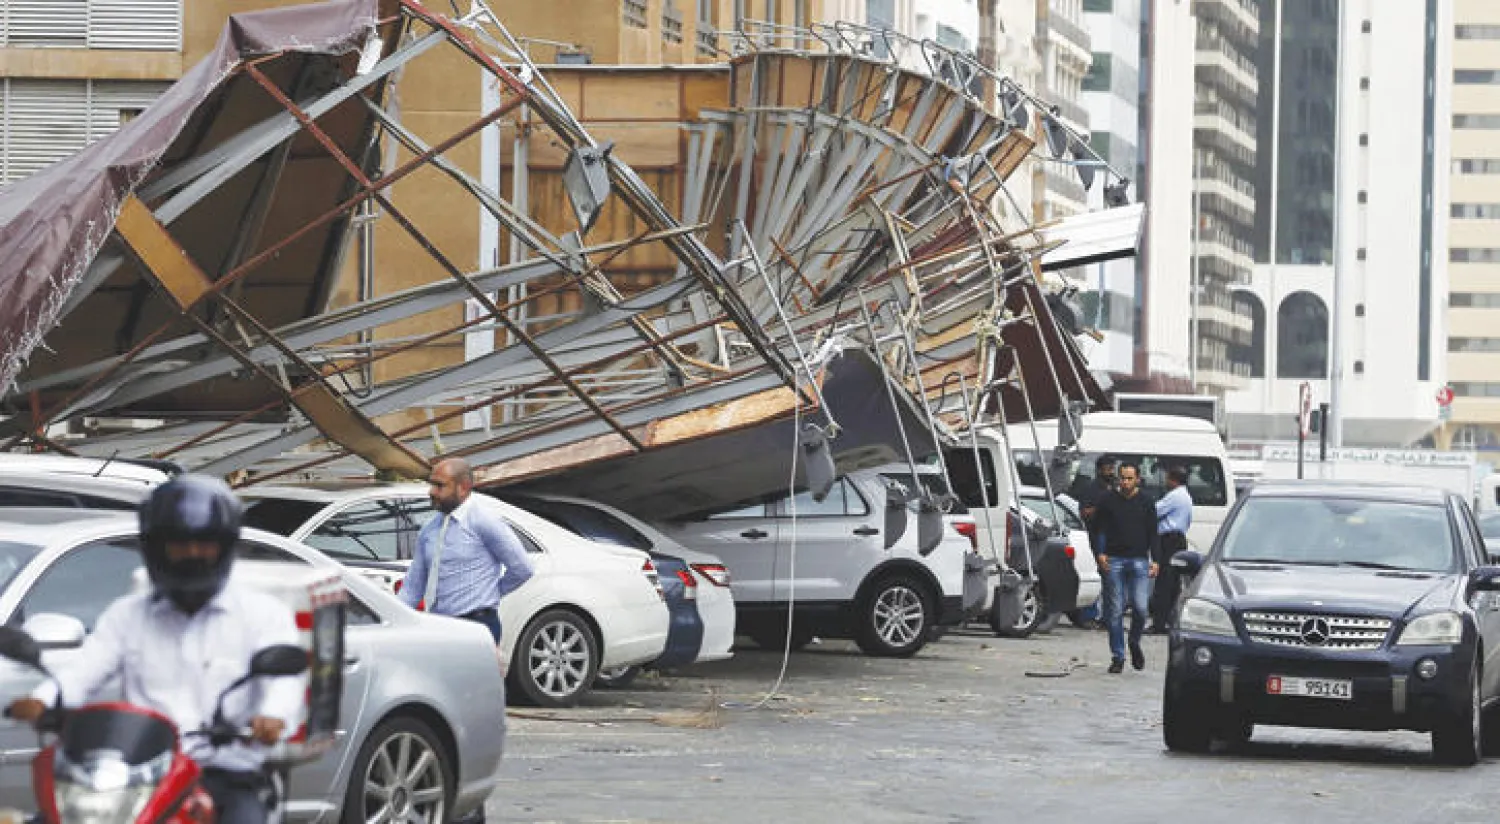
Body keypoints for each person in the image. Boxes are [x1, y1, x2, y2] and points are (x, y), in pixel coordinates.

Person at [7, 475, 305, 824]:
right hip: (140, 774)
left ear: (224, 547)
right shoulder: (128, 614)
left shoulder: (263, 615)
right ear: (156, 547)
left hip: (225, 776)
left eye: (204, 543)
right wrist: (43, 700)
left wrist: (272, 718)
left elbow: (285, 684)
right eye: (178, 544)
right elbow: (84, 671)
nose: (192, 553)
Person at [399, 457, 535, 644]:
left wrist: (489, 594)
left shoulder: (483, 521)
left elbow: (522, 568)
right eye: (431, 485)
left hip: (477, 627)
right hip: (438, 626)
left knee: (476, 675)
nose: (431, 492)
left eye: (440, 486)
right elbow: (412, 588)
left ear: (463, 488)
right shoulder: (429, 530)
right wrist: (393, 620)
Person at [1094, 462, 1160, 673]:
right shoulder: (1108, 500)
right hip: (1114, 559)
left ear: (1137, 479)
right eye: (1122, 478)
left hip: (1139, 560)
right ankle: (1118, 656)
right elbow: (1100, 529)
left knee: (1141, 608)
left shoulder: (1146, 501)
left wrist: (1156, 559)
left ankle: (1134, 641)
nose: (1125, 482)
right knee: (1114, 610)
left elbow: (1153, 532)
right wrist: (1101, 553)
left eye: (1130, 478)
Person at [1149, 465, 1193, 633]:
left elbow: (1154, 511)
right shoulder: (1186, 496)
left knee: (1164, 582)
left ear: (1173, 480)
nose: (1166, 481)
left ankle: (1159, 623)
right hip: (1178, 540)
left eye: (1168, 478)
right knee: (1173, 583)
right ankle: (1169, 621)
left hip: (1169, 541)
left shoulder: (1175, 496)